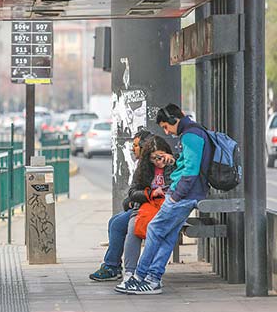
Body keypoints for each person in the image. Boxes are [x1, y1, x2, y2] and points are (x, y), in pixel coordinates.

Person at [124, 103, 211, 295]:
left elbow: (190, 172)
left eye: (166, 126)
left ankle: (140, 276)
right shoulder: (194, 133)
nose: (167, 131)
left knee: (155, 229)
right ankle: (153, 278)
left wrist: (175, 196)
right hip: (188, 194)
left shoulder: (191, 135)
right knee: (168, 235)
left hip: (184, 195)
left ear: (174, 120)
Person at [88, 129, 153, 281]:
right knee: (114, 221)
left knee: (119, 224)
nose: (132, 148)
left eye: (136, 145)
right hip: (140, 206)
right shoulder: (142, 165)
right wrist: (131, 200)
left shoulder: (152, 165)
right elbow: (133, 191)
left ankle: (114, 266)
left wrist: (135, 199)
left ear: (145, 147)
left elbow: (146, 192)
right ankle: (113, 265)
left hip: (148, 209)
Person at [114, 135, 175, 292]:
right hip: (146, 205)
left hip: (167, 207)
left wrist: (172, 164)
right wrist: (151, 193)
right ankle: (129, 272)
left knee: (159, 230)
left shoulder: (174, 164)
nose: (158, 161)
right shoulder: (143, 168)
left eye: (161, 157)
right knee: (133, 227)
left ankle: (151, 275)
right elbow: (133, 191)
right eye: (153, 158)